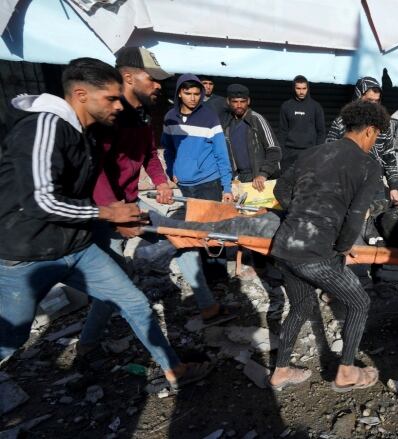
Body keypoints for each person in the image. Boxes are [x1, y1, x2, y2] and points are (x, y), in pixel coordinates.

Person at [0, 57, 212, 387]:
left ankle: (174, 370)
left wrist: (151, 188)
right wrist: (110, 215)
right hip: (26, 255)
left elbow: (143, 158)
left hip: (78, 246)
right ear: (81, 94)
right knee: (10, 339)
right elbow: (41, 200)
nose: (118, 105)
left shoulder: (90, 131)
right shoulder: (43, 127)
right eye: (111, 98)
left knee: (134, 302)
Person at [80, 48, 235, 353]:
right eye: (151, 79)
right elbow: (94, 169)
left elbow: (151, 155)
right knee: (114, 281)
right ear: (128, 77)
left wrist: (162, 179)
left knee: (184, 238)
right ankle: (87, 345)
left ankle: (207, 306)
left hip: (132, 200)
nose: (158, 86)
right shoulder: (107, 115)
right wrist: (115, 213)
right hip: (104, 210)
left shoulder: (141, 114)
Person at [267, 101, 390, 392]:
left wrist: (301, 211)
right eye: (376, 137)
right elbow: (356, 215)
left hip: (285, 245)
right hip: (316, 252)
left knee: (299, 306)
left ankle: (281, 371)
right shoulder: (367, 166)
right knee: (359, 302)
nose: (374, 143)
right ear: (370, 131)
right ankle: (346, 371)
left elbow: (280, 190)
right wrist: (343, 247)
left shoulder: (313, 152)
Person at [326, 76, 398, 204]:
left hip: (375, 187)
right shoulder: (342, 122)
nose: (373, 104)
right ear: (358, 96)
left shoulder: (384, 124)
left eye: (376, 101)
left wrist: (394, 187)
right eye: (369, 100)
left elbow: (389, 155)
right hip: (347, 186)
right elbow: (328, 154)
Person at [162, 74, 234, 203]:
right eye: (188, 93)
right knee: (191, 222)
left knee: (210, 222)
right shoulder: (170, 118)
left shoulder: (210, 117)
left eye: (196, 94)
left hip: (209, 182)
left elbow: (221, 153)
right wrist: (171, 171)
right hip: (183, 183)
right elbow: (168, 150)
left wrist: (227, 187)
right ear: (179, 93)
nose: (193, 98)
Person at [221, 83, 281, 189]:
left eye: (242, 101)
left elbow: (274, 150)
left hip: (260, 179)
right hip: (239, 180)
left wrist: (263, 174)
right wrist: (233, 177)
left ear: (248, 101)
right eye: (235, 102)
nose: (239, 105)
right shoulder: (227, 124)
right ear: (228, 102)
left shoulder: (257, 120)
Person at [278, 75, 326, 172]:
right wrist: (282, 153)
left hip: (310, 153)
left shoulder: (316, 107)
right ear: (294, 88)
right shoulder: (286, 106)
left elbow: (321, 132)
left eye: (304, 88)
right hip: (289, 153)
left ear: (307, 88)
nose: (301, 92)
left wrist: (317, 152)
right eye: (298, 88)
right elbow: (282, 131)